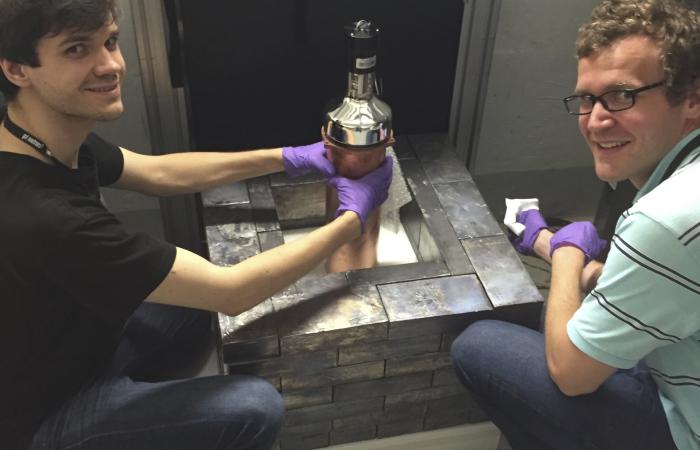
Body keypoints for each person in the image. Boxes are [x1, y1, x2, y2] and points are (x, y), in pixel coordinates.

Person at [0, 1, 393, 449]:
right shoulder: (42, 214)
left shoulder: (38, 137)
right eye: (76, 50)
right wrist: (352, 219)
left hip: (81, 340)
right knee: (251, 407)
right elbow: (232, 293)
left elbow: (159, 174)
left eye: (109, 41)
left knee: (189, 302)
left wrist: (288, 158)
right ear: (17, 70)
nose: (109, 65)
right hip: (43, 412)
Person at [450, 0, 700, 449]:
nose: (596, 119)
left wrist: (565, 255)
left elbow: (571, 376)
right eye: (587, 98)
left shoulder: (664, 220)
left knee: (480, 346)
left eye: (623, 95)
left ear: (693, 99)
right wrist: (591, 268)